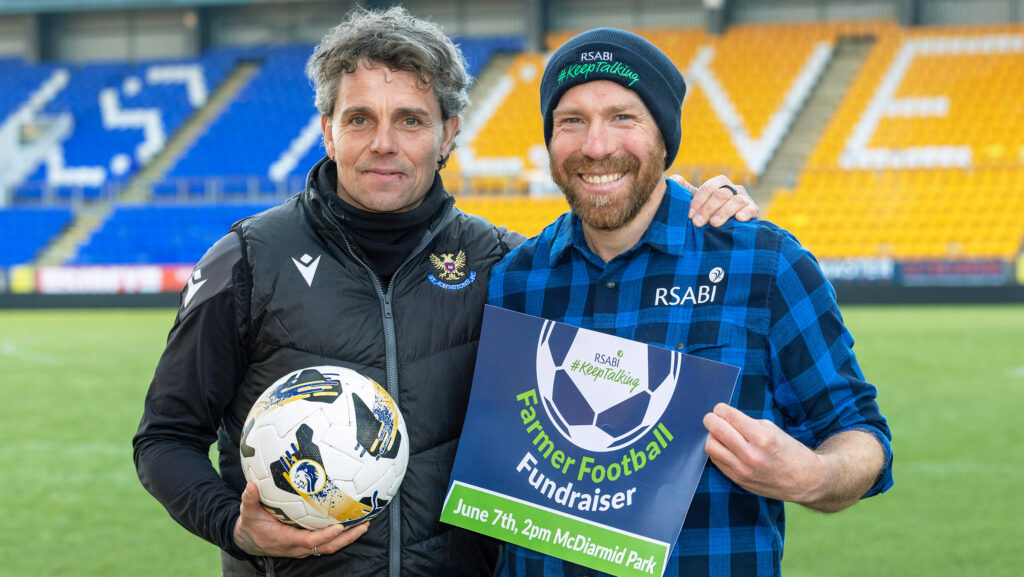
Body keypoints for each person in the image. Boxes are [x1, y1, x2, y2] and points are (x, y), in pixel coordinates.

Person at [132, 8, 757, 577]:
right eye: (359, 119)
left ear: (448, 133)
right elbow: (164, 437)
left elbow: (629, 285)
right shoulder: (248, 259)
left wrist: (703, 215)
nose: (383, 143)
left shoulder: (510, 266)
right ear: (327, 130)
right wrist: (235, 526)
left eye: (410, 120)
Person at [486, 27, 893, 577]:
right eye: (571, 121)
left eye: (623, 117)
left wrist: (813, 477)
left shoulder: (764, 264)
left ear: (664, 138)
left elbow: (861, 433)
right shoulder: (515, 279)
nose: (596, 145)